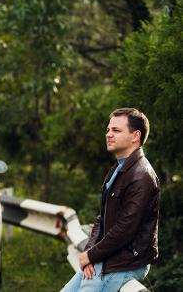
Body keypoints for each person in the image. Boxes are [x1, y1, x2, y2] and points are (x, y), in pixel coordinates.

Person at [61, 108, 160, 292]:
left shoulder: (142, 176)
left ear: (135, 136)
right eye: (108, 130)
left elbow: (124, 230)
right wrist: (89, 254)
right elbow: (102, 218)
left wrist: (91, 255)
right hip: (107, 257)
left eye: (116, 130)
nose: (109, 134)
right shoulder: (118, 169)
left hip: (126, 262)